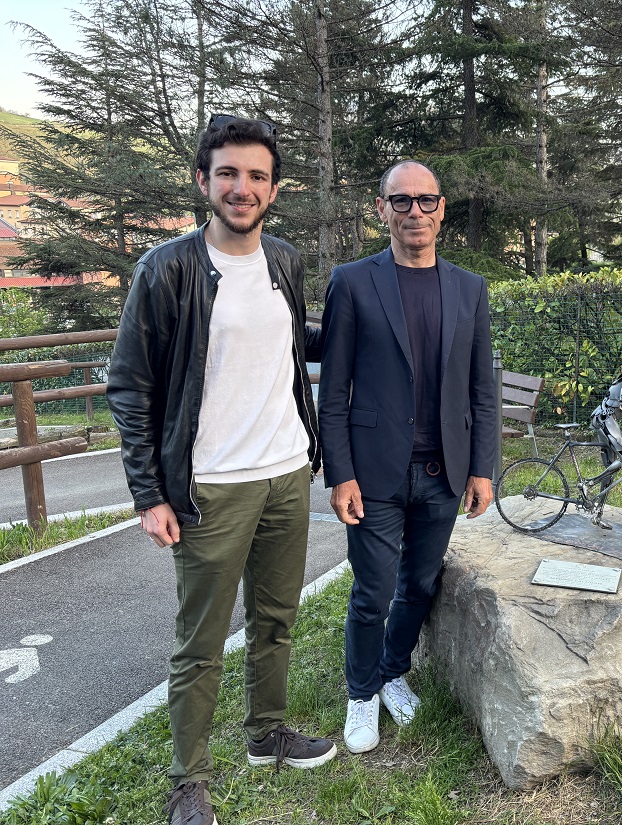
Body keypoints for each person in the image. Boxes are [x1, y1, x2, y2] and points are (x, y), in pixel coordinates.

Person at [107, 114, 336, 825]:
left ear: (274, 189)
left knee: (277, 619)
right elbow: (130, 385)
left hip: (287, 472)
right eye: (228, 173)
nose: (243, 188)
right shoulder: (166, 268)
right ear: (203, 181)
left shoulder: (285, 261)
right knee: (200, 642)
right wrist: (149, 493)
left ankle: (268, 731)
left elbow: (290, 342)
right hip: (209, 486)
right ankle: (189, 781)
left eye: (257, 176)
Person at [318, 160, 497, 754]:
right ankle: (361, 693)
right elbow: (333, 390)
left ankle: (394, 671)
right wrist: (340, 473)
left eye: (426, 201)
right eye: (401, 201)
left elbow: (482, 387)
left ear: (441, 210)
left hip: (444, 470)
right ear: (382, 209)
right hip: (373, 472)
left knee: (419, 583)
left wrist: (482, 468)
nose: (414, 212)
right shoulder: (352, 282)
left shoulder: (470, 288)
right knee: (372, 591)